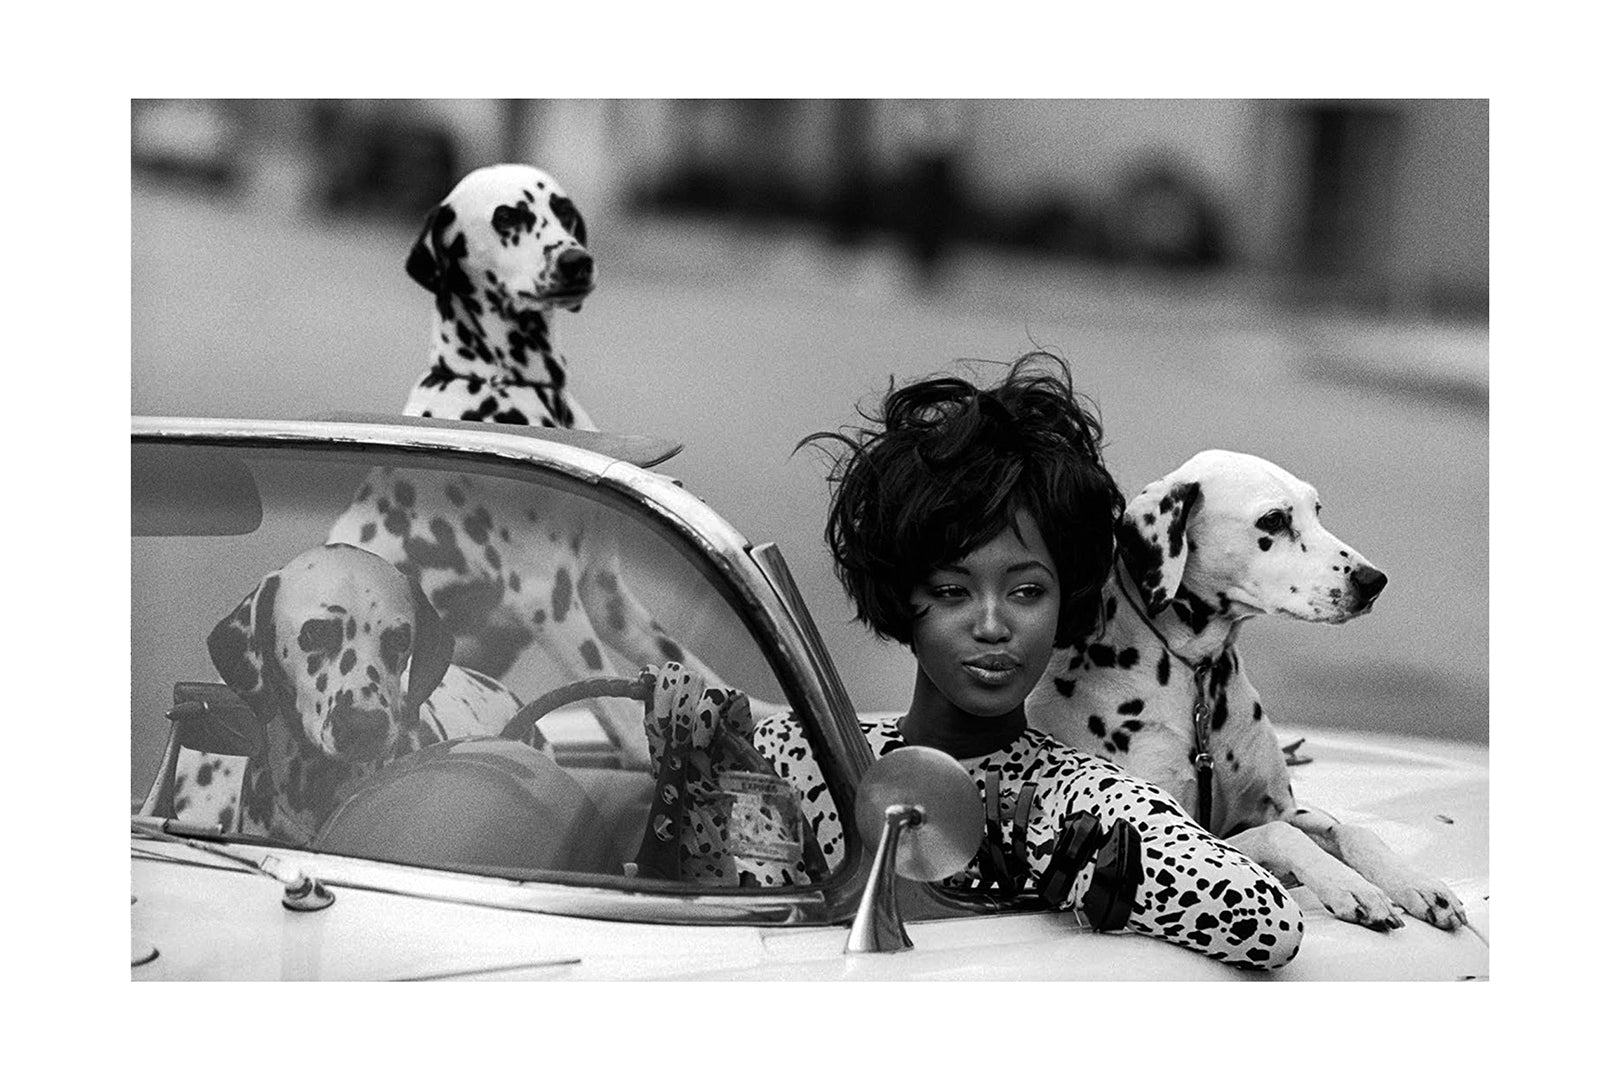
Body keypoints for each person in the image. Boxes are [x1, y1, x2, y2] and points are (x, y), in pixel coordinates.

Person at [753, 351, 1304, 971]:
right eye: (952, 591)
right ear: (901, 595)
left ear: (1068, 597)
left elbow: (1268, 923)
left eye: (1026, 592)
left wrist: (1064, 873)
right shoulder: (799, 755)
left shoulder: (1090, 802)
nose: (992, 626)